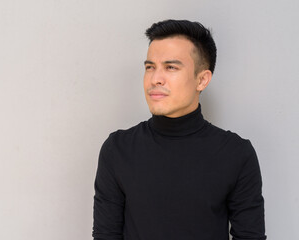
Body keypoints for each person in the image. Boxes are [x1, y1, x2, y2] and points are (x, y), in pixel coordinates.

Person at [92, 19, 266, 240]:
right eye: (149, 67)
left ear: (202, 80)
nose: (155, 79)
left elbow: (250, 236)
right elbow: (105, 235)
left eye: (171, 67)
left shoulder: (236, 154)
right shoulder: (117, 149)